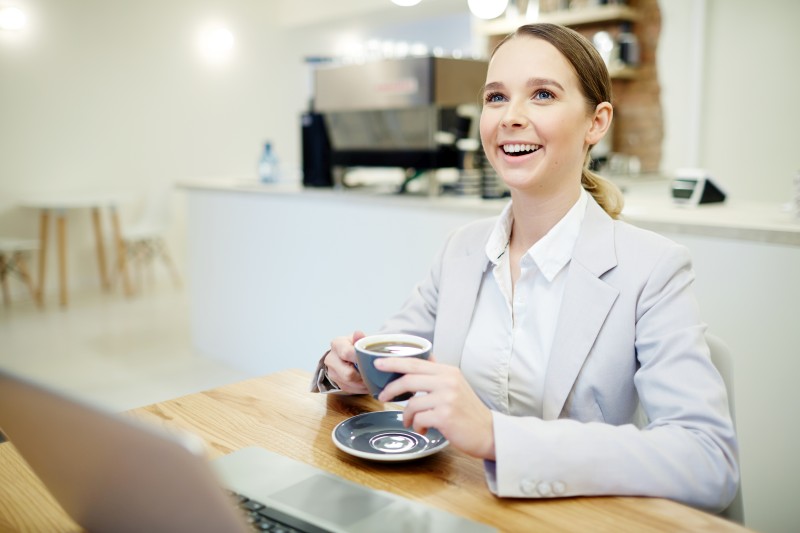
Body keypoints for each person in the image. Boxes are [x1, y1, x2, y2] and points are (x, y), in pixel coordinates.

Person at [311, 23, 739, 512]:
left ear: (596, 122)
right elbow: (396, 357)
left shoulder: (653, 269)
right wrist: (351, 371)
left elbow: (709, 460)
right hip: (462, 507)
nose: (511, 117)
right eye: (496, 97)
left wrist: (497, 437)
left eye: (542, 94)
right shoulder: (462, 250)